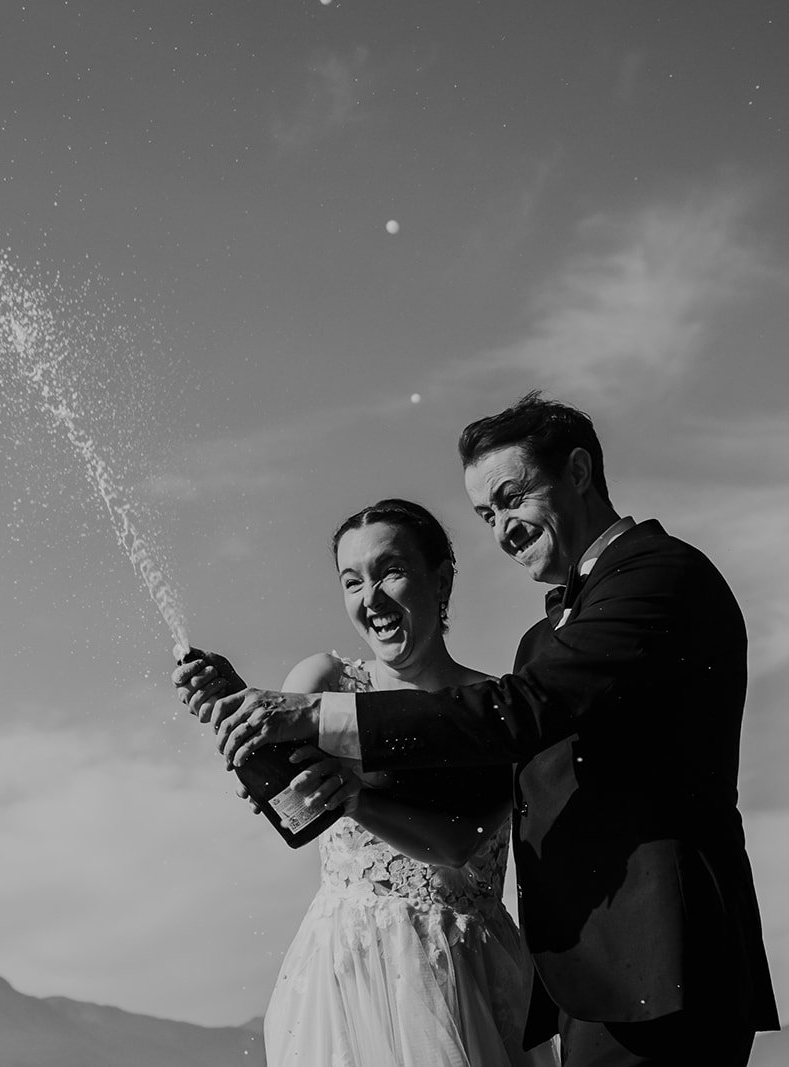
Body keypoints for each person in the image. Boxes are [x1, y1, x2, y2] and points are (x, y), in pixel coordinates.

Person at [190, 392, 778, 1066]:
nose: (502, 527)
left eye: (511, 497)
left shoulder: (659, 578)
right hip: (597, 977)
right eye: (486, 513)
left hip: (662, 961)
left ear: (579, 472)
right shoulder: (543, 635)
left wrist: (315, 717)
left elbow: (517, 713)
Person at [176, 499, 556, 1066]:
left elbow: (458, 844)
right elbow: (288, 790)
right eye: (351, 582)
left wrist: (356, 798)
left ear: (442, 578)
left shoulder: (495, 707)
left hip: (465, 973)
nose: (370, 598)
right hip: (349, 968)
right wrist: (234, 701)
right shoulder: (323, 680)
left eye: (390, 572)